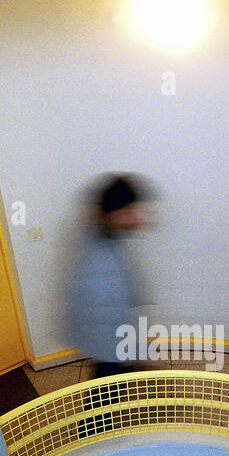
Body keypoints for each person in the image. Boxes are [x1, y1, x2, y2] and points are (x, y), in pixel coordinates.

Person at [68, 174, 153, 438]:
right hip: (107, 342)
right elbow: (108, 309)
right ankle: (92, 442)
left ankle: (96, 436)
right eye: (128, 211)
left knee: (104, 392)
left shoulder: (104, 237)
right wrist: (138, 352)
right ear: (112, 213)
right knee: (103, 398)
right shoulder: (98, 260)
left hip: (110, 342)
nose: (136, 218)